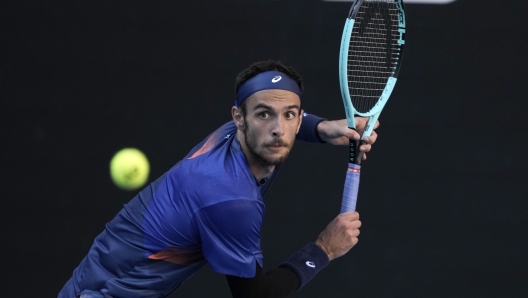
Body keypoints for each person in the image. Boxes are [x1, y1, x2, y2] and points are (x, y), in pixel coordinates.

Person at [58, 60, 379, 298]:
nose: (279, 129)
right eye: (264, 114)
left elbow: (285, 117)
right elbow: (255, 296)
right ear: (239, 117)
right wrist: (323, 249)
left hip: (99, 275)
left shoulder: (234, 136)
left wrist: (325, 129)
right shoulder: (231, 200)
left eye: (289, 114)